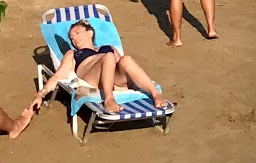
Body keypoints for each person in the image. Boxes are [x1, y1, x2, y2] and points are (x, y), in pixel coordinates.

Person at [29, 19, 168, 114]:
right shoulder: (73, 54)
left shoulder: (109, 47)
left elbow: (122, 67)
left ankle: (155, 93)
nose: (74, 38)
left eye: (77, 33)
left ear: (90, 32)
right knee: (108, 56)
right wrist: (40, 94)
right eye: (71, 38)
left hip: (115, 80)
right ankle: (108, 99)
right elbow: (59, 75)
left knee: (126, 59)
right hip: (93, 79)